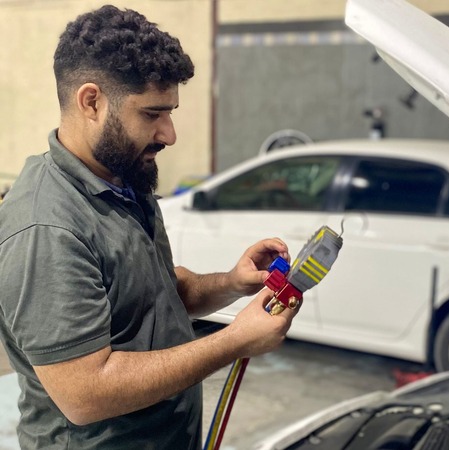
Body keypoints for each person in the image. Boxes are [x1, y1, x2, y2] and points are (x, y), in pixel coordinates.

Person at [0, 5, 298, 449]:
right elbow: (86, 394)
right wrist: (235, 341)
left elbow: (151, 295)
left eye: (170, 112)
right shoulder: (48, 228)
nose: (170, 133)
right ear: (91, 102)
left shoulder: (123, 179)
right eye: (152, 114)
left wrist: (232, 283)